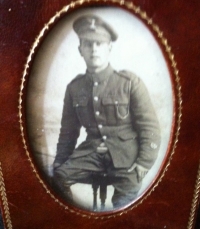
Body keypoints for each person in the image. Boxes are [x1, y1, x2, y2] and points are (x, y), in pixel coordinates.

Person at [53, 14, 161, 210]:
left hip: (126, 155)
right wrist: (59, 164)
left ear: (109, 48)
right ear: (80, 50)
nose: (94, 49)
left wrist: (144, 163)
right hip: (91, 154)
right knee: (56, 179)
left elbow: (149, 126)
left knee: (124, 205)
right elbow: (68, 133)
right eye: (88, 44)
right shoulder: (75, 88)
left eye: (100, 43)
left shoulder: (128, 83)